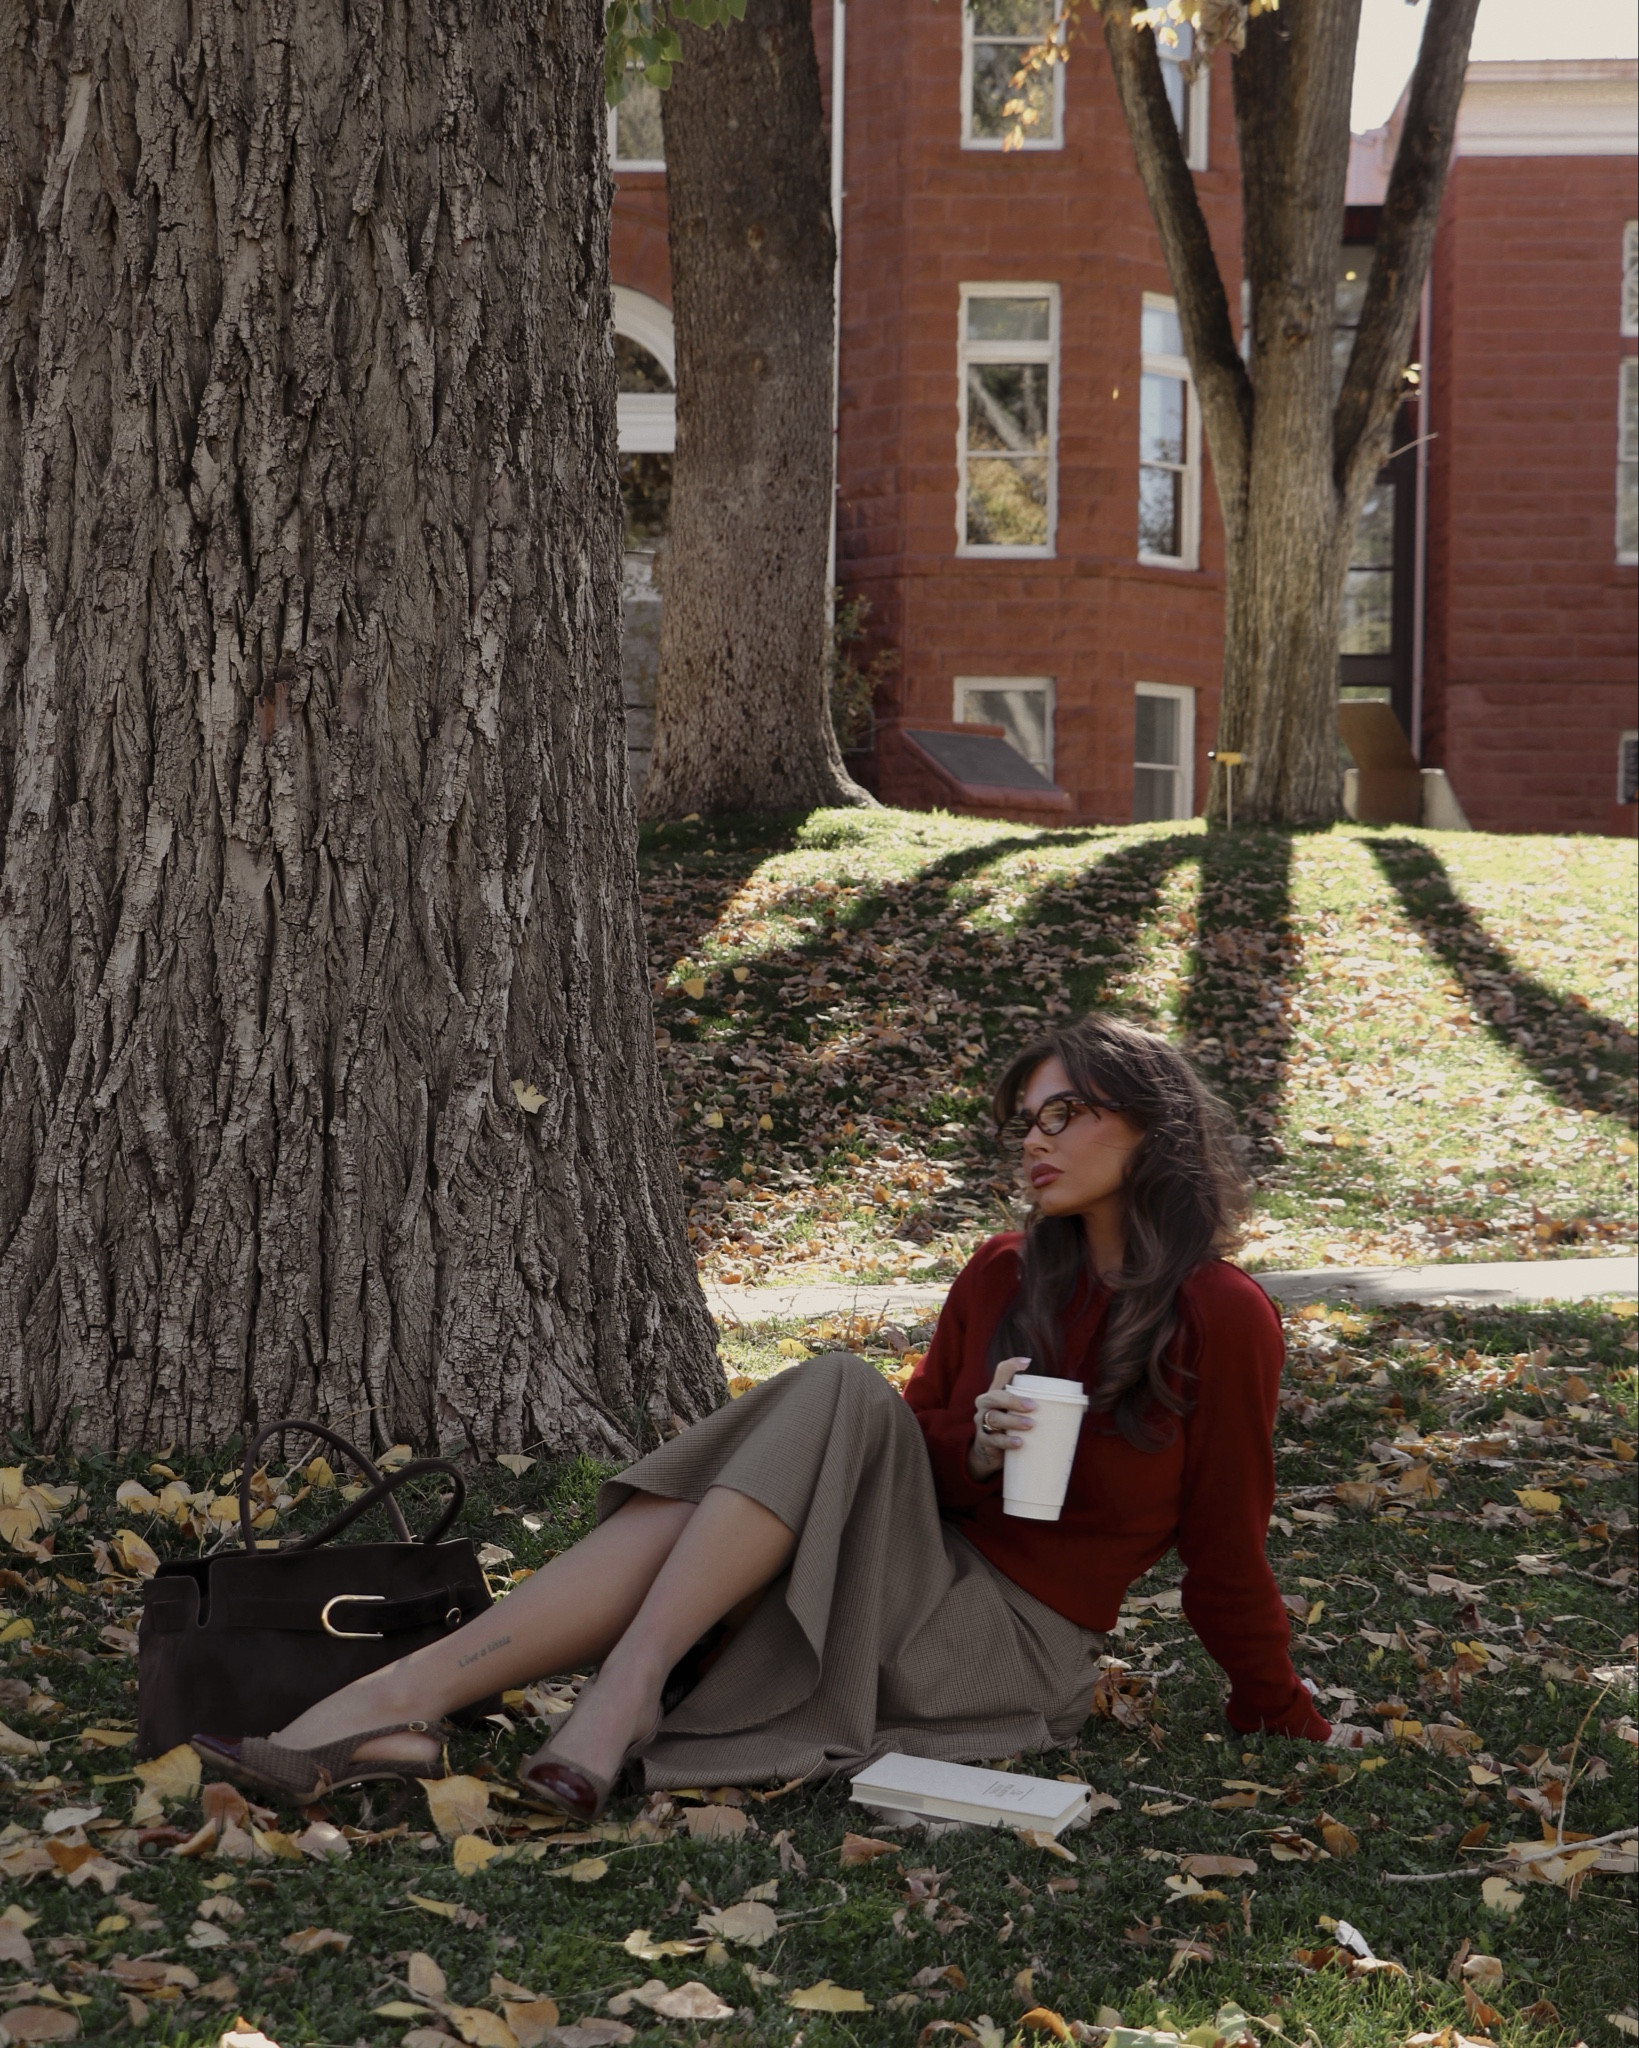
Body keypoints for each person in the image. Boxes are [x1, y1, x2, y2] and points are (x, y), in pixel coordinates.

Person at [192, 1016, 1332, 1819]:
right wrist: (975, 1445)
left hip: (1009, 1649)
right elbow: (912, 1457)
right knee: (841, 1389)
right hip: (903, 1577)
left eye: (1065, 1114)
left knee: (830, 1390)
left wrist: (1277, 1709)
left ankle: (509, 1695)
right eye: (1021, 1119)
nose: (1031, 1140)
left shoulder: (1220, 1316)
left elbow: (1226, 1549)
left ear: (1151, 1129)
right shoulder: (999, 1274)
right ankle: (446, 1699)